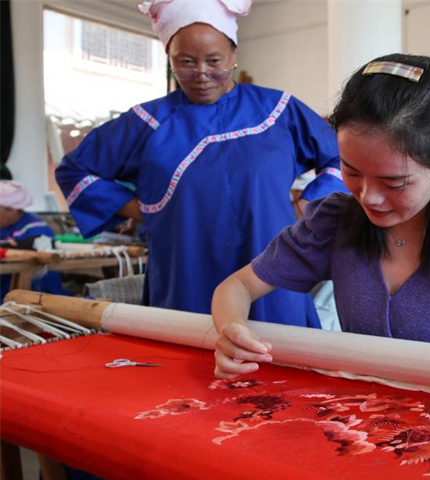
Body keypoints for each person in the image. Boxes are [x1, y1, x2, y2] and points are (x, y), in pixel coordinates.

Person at [212, 54, 430, 379]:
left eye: (394, 182)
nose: (369, 196)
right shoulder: (336, 222)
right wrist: (233, 329)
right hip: (358, 417)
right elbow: (237, 285)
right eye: (351, 171)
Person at [55, 0, 344, 327]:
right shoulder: (147, 121)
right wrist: (141, 209)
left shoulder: (279, 110)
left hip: (269, 265)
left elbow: (342, 155)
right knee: (188, 362)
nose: (202, 74)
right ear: (170, 59)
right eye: (186, 62)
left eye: (215, 60)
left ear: (234, 54)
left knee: (282, 361)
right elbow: (74, 170)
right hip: (185, 267)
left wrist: (313, 200)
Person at [0, 181, 70, 299]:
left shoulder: (37, 228)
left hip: (31, 291)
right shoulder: (4, 225)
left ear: (12, 209)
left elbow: (37, 246)